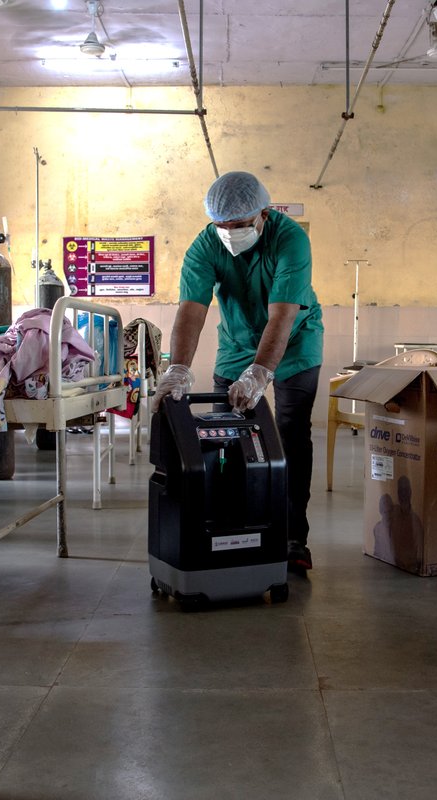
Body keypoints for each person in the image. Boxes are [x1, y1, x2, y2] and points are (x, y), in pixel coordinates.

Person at [153, 171, 324, 573]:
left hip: (295, 343)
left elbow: (282, 317)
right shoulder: (204, 246)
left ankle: (293, 535)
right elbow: (191, 310)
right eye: (221, 227)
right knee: (223, 438)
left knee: (290, 434)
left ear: (263, 214)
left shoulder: (290, 240)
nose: (229, 234)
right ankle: (225, 526)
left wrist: (261, 372)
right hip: (236, 344)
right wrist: (178, 368)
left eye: (240, 226)